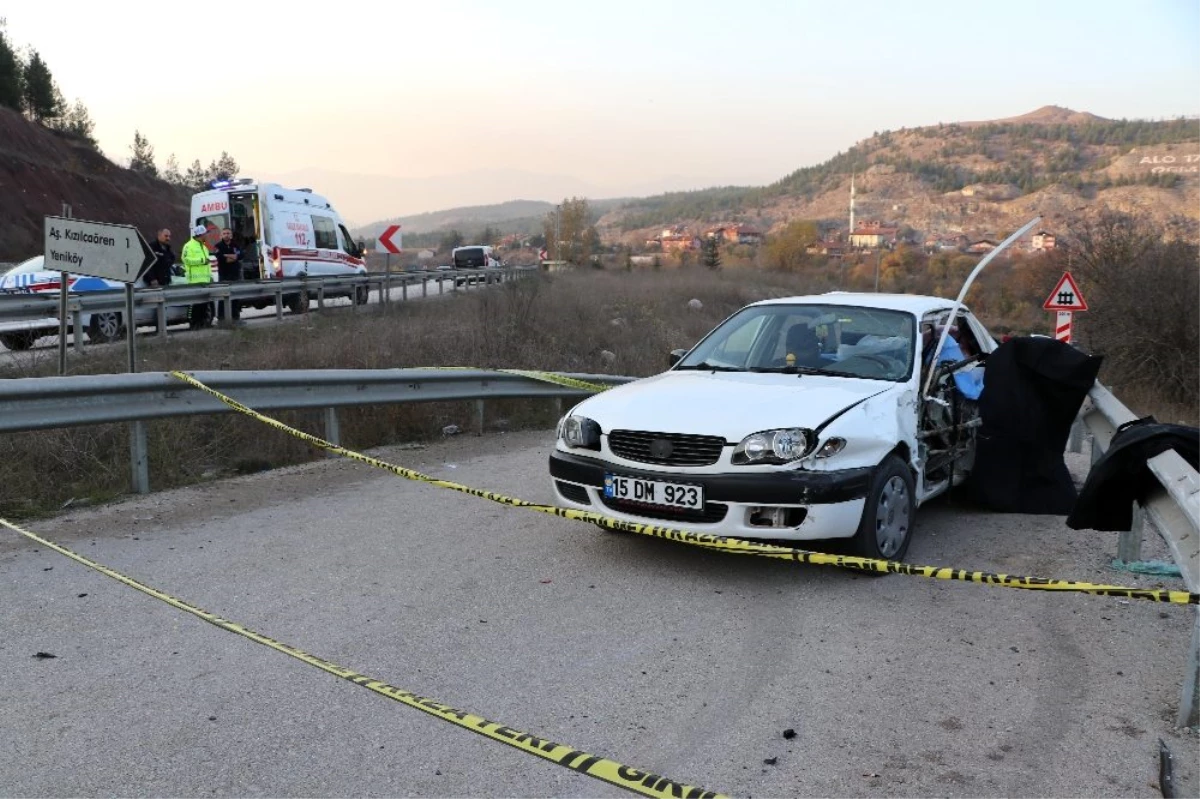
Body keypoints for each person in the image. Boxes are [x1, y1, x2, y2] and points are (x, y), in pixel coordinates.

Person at [182, 225, 213, 330]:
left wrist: (210, 277)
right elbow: (186, 260)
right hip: (194, 280)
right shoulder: (188, 246)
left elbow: (207, 264)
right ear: (201, 234)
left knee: (204, 304)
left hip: (205, 280)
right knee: (195, 305)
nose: (207, 236)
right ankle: (193, 324)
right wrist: (201, 261)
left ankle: (201, 323)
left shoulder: (204, 246)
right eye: (206, 234)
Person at [214, 227, 243, 324]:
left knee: (235, 297)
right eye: (224, 233)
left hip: (235, 275)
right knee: (223, 297)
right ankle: (221, 319)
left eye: (228, 233)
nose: (226, 235)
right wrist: (233, 257)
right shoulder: (218, 246)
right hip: (224, 275)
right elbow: (221, 259)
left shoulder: (236, 245)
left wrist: (229, 256)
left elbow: (241, 255)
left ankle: (236, 318)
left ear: (231, 235)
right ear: (221, 235)